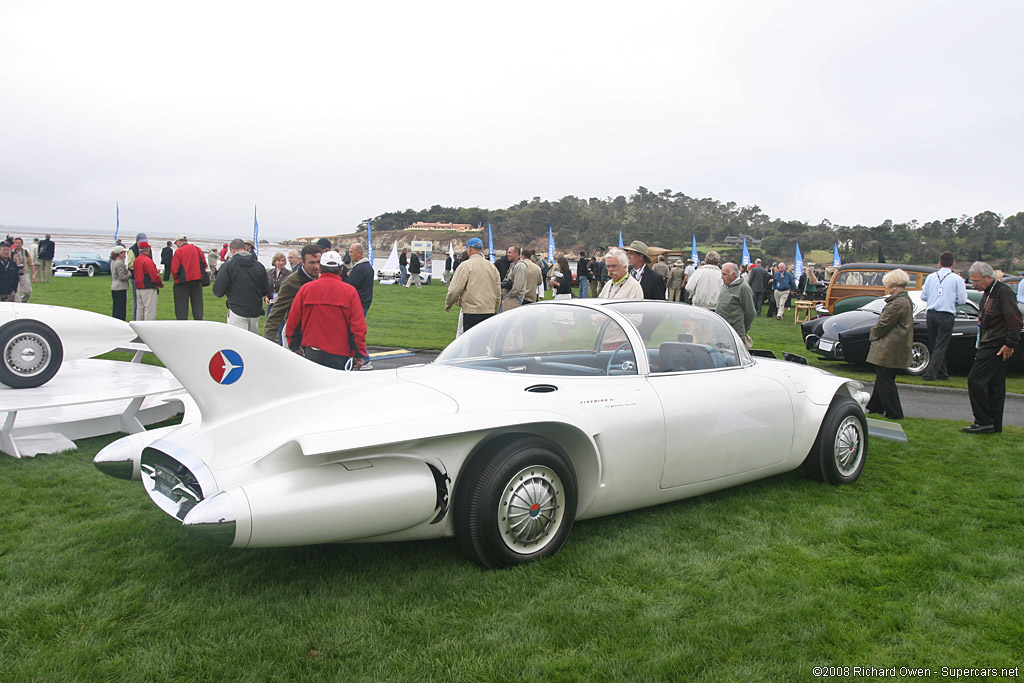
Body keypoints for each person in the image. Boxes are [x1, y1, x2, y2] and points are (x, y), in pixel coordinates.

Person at [964, 262, 1022, 434]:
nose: (973, 285)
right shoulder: (989, 292)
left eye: (976, 281)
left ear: (988, 277)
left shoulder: (1003, 292)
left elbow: (1014, 319)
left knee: (975, 380)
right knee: (995, 386)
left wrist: (1010, 343)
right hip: (989, 341)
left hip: (996, 343)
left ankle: (983, 421)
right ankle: (993, 424)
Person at [286, 250, 367, 370]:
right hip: (339, 354)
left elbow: (293, 321)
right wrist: (359, 354)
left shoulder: (306, 290)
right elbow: (357, 327)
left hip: (312, 351)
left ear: (320, 269)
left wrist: (294, 346)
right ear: (340, 270)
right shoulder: (349, 292)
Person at [864, 269, 913, 420]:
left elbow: (884, 324)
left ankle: (894, 413)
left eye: (889, 286)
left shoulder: (897, 303)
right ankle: (875, 407)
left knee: (885, 381)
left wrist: (873, 334)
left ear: (895, 285)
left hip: (890, 345)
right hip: (895, 344)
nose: (887, 289)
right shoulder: (904, 299)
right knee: (882, 378)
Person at [920, 251, 967, 381]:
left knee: (935, 343)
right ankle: (930, 373)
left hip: (931, 313)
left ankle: (942, 373)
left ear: (939, 263)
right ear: (954, 264)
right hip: (946, 314)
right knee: (941, 345)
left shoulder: (931, 277)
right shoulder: (957, 279)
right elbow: (962, 300)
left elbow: (923, 296)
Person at [263, 244, 321, 344]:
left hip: (317, 333)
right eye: (312, 263)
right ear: (302, 262)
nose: (316, 266)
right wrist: (266, 342)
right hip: (296, 335)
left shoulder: (325, 278)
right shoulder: (291, 282)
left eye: (319, 262)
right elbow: (277, 313)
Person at [213, 238, 269, 333]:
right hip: (255, 310)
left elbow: (218, 291)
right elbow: (265, 290)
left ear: (232, 250)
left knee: (237, 342)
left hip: (237, 309)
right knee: (252, 341)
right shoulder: (259, 266)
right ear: (245, 249)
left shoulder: (228, 266)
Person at [445, 237, 500, 334]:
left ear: (469, 249)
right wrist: (495, 309)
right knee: (484, 342)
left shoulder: (465, 265)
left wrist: (448, 304)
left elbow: (454, 289)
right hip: (489, 311)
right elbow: (498, 292)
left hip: (472, 312)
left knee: (472, 343)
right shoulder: (492, 267)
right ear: (481, 250)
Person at [343, 243, 374, 369]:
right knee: (356, 332)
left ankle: (365, 360)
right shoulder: (367, 267)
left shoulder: (360, 268)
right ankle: (361, 358)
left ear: (359, 253)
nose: (349, 254)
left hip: (359, 304)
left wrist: (345, 277)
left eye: (351, 252)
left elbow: (350, 286)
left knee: (355, 333)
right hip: (364, 302)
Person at [717, 262, 756, 347]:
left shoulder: (744, 288)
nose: (721, 277)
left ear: (733, 275)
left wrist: (742, 329)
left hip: (734, 332)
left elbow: (750, 312)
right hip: (721, 330)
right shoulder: (725, 286)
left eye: (724, 274)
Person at [169, 234, 207, 321]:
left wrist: (177, 278)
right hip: (197, 281)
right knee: (198, 306)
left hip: (182, 282)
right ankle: (198, 324)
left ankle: (183, 326)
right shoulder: (198, 249)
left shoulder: (179, 252)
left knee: (181, 307)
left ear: (179, 242)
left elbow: (174, 269)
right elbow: (204, 264)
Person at [132, 242, 163, 321]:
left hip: (138, 287)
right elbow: (154, 276)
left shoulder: (136, 260)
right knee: (149, 310)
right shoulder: (147, 261)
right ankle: (149, 328)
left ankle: (139, 327)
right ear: (147, 249)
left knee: (140, 310)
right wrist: (160, 283)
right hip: (148, 287)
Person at [125, 232, 147, 320]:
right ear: (137, 241)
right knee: (137, 301)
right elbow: (130, 264)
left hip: (145, 278)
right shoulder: (132, 250)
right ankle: (136, 319)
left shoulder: (147, 248)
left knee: (144, 301)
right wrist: (141, 266)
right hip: (136, 277)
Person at [500, 245, 528, 311]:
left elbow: (517, 287)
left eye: (510, 252)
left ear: (516, 253)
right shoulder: (514, 265)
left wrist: (508, 296)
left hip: (514, 299)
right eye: (507, 253)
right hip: (510, 298)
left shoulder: (520, 266)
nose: (507, 254)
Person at [265, 252, 291, 317]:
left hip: (282, 303)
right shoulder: (269, 273)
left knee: (280, 324)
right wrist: (266, 297)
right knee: (269, 323)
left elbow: (290, 290)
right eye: (279, 261)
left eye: (283, 261)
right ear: (274, 261)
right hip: (271, 303)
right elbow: (265, 287)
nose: (281, 263)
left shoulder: (289, 274)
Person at [109, 246, 131, 320]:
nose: (125, 254)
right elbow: (122, 277)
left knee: (116, 307)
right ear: (119, 254)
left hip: (114, 286)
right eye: (123, 253)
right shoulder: (119, 263)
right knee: (121, 308)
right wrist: (129, 274)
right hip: (120, 287)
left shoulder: (113, 261)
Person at [11, 238, 34, 302]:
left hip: (24, 272)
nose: (17, 245)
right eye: (16, 243)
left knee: (28, 291)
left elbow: (31, 264)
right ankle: (18, 303)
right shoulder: (11, 253)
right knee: (16, 291)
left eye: (19, 243)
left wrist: (33, 275)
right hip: (15, 274)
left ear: (22, 244)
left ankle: (23, 300)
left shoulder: (26, 252)